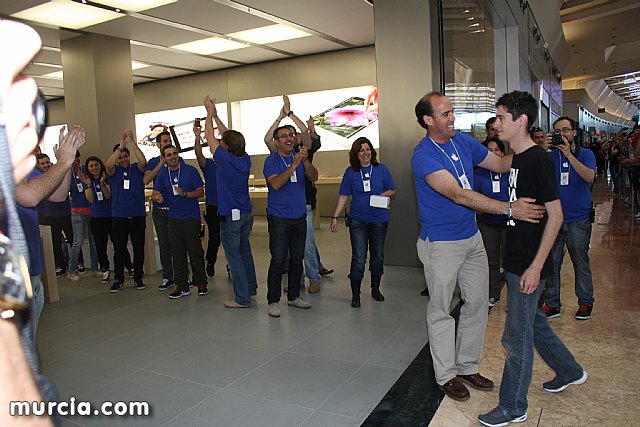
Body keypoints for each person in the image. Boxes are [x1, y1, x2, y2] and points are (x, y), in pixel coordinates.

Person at [411, 92, 544, 401]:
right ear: (428, 120)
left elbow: (499, 164)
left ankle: (467, 365)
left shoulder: (463, 142)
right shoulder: (423, 156)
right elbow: (459, 195)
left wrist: (530, 152)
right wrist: (510, 208)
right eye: (444, 114)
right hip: (441, 245)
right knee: (441, 310)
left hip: (471, 237)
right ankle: (446, 374)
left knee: (477, 303)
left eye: (451, 111)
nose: (452, 117)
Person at [478, 91, 587, 427]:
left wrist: (537, 267)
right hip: (517, 259)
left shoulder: (538, 159)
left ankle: (513, 406)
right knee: (534, 325)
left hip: (529, 262)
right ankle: (570, 370)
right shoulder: (518, 159)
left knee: (516, 338)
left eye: (501, 118)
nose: (496, 124)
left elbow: (555, 215)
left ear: (520, 121)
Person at [1, 19, 74, 426]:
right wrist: (62, 161)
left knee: (29, 354)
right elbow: (28, 195)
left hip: (30, 276)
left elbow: (54, 195)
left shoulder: (21, 173)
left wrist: (64, 167)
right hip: (13, 287)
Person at [203, 95, 257, 308]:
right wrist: (216, 116)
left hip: (231, 217)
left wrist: (209, 113)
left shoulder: (223, 159)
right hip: (246, 214)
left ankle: (242, 298)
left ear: (225, 147)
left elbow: (210, 137)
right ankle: (250, 287)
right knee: (244, 251)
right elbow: (227, 136)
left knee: (234, 257)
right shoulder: (245, 158)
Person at [540, 116, 596, 320]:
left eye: (565, 130)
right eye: (557, 131)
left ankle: (585, 301)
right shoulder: (549, 156)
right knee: (552, 262)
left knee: (580, 261)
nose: (562, 135)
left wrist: (569, 155)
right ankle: (552, 303)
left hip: (578, 219)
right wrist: (542, 150)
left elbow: (590, 176)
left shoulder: (586, 154)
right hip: (554, 219)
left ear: (574, 133)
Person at [330, 137, 396, 307]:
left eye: (367, 149)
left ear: (372, 152)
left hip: (379, 220)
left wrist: (382, 196)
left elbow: (392, 189)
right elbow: (344, 195)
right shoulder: (350, 172)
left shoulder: (381, 169)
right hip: (358, 220)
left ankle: (375, 289)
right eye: (361, 150)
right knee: (359, 257)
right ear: (356, 154)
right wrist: (335, 217)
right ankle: (356, 295)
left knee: (377, 256)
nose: (365, 153)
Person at [263, 121, 318, 317]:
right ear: (276, 142)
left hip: (300, 217)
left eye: (292, 135)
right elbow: (276, 184)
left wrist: (304, 162)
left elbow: (314, 177)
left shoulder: (300, 158)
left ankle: (294, 297)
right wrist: (294, 165)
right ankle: (273, 300)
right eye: (284, 136)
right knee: (278, 260)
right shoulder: (271, 161)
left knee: (297, 259)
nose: (289, 138)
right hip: (280, 219)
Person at [151, 145, 207, 299]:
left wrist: (185, 194)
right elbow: (155, 193)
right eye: (169, 155)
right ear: (164, 158)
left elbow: (201, 191)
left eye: (175, 153)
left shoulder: (190, 171)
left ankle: (201, 282)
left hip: (190, 218)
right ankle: (181, 285)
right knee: (177, 253)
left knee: (194, 251)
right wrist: (157, 198)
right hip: (173, 218)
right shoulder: (163, 174)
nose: (173, 157)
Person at [105, 131, 148, 292]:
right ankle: (118, 279)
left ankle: (138, 278)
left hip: (137, 215)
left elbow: (143, 161)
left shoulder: (137, 169)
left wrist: (132, 143)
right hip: (119, 216)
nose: (123, 160)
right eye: (121, 157)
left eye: (125, 156)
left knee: (139, 248)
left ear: (129, 157)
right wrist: (120, 147)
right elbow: (108, 165)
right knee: (119, 249)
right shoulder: (114, 172)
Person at [474, 137, 510, 308]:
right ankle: (493, 293)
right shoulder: (478, 173)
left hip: (509, 222)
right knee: (491, 261)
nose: (494, 153)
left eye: (497, 150)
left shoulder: (511, 171)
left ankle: (512, 297)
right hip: (487, 223)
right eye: (489, 150)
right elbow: (473, 197)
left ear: (503, 152)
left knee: (510, 261)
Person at [143, 131, 177, 290]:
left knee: (178, 244)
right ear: (158, 144)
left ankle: (182, 275)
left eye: (169, 140)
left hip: (175, 208)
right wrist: (162, 162)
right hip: (159, 210)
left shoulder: (177, 159)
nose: (167, 142)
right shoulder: (153, 162)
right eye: (164, 141)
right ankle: (168, 277)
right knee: (164, 244)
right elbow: (146, 179)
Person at [193, 117, 221, 278]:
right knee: (215, 239)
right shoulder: (209, 165)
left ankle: (233, 266)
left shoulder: (228, 163)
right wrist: (197, 137)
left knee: (232, 239)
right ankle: (210, 262)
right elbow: (198, 155)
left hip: (229, 207)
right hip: (213, 207)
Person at [83, 156, 114, 283]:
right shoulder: (88, 182)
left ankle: (129, 267)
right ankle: (105, 270)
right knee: (100, 246)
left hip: (111, 216)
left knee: (118, 243)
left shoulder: (108, 178)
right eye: (91, 166)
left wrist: (102, 183)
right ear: (88, 169)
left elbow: (108, 195)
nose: (94, 168)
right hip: (96, 218)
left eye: (96, 165)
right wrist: (90, 185)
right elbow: (90, 199)